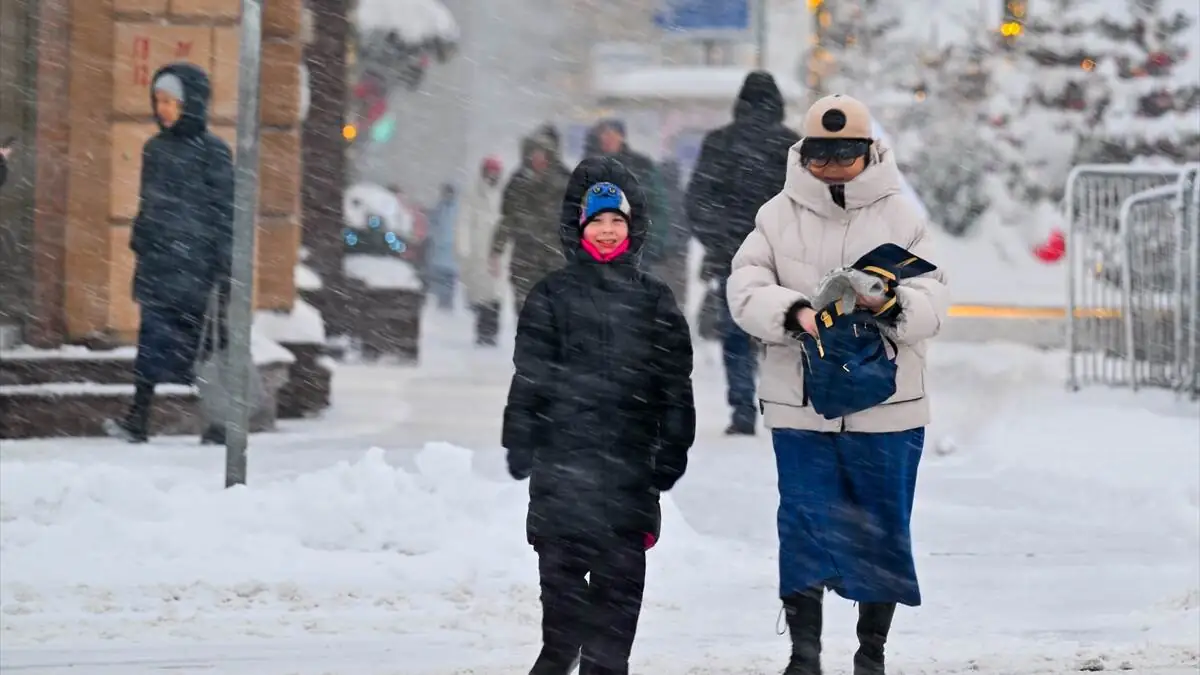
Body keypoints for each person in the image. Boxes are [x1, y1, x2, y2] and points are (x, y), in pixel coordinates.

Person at [726, 94, 949, 675]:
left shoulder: (903, 217)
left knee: (882, 527)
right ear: (803, 153)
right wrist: (796, 311)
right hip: (802, 406)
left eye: (845, 154)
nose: (831, 166)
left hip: (888, 406)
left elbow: (935, 303)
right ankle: (804, 654)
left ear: (868, 151)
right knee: (804, 525)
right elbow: (744, 286)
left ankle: (870, 653)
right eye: (820, 155)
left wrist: (890, 301)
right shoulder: (775, 216)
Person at [503, 156, 695, 675]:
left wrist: (673, 444)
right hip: (560, 479)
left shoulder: (654, 300)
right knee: (562, 620)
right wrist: (520, 434)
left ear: (633, 228)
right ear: (578, 225)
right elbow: (530, 376)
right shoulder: (550, 296)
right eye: (597, 221)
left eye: (617, 222)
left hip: (629, 479)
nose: (608, 232)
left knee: (615, 619)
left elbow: (674, 384)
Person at [103, 62, 234, 444]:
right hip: (161, 266)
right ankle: (138, 418)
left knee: (208, 347)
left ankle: (219, 423)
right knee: (151, 345)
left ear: (191, 103)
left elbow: (226, 212)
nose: (162, 108)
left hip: (198, 270)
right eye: (158, 100)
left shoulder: (214, 154)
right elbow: (151, 203)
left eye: (171, 101)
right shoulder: (155, 150)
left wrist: (224, 266)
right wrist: (142, 238)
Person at [686, 71, 801, 436]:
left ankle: (742, 407)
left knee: (736, 331)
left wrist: (718, 240)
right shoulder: (792, 147)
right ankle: (782, 403)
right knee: (783, 328)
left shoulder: (720, 143)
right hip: (781, 256)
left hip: (732, 256)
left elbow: (697, 200)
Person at [490, 124, 571, 313]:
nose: (538, 158)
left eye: (543, 153)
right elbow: (508, 219)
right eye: (534, 152)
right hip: (524, 261)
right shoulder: (518, 182)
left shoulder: (566, 181)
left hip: (555, 262)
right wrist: (496, 250)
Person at [584, 120, 672, 280]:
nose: (607, 138)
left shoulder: (641, 165)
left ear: (622, 137)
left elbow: (658, 207)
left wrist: (651, 242)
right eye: (603, 134)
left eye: (612, 134)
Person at [456, 156, 505, 345]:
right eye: (489, 172)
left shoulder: (503, 195)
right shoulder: (472, 194)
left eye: (495, 173)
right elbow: (464, 222)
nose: (492, 176)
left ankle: (491, 332)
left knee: (496, 295)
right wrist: (464, 248)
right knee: (481, 295)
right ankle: (483, 332)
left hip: (498, 252)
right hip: (478, 252)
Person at [425, 182, 459, 310]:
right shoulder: (439, 208)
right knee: (439, 283)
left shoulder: (457, 209)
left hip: (450, 254)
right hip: (440, 253)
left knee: (448, 283)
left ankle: (446, 307)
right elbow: (432, 226)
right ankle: (441, 308)